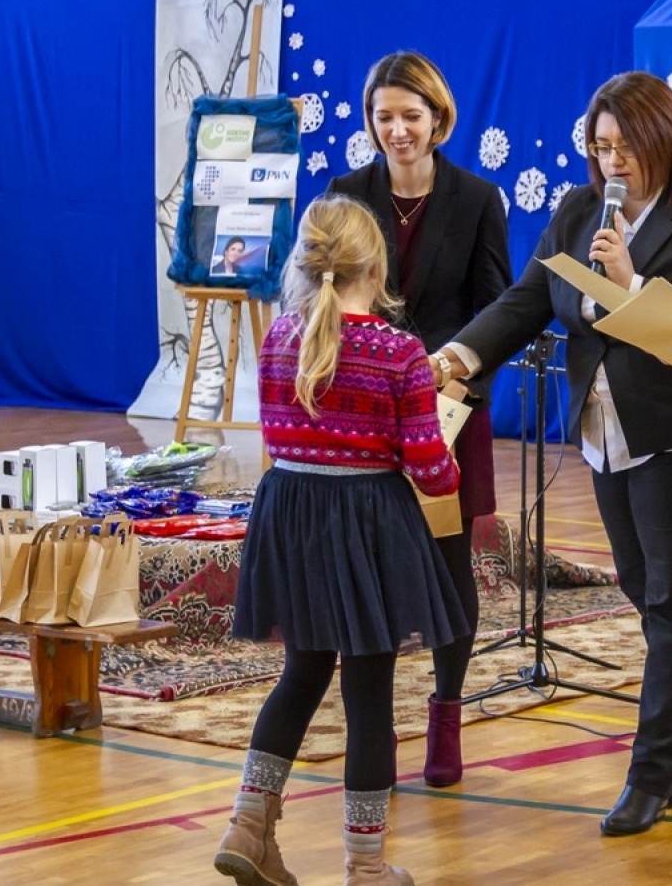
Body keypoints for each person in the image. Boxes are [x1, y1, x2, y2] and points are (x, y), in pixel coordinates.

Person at [432, 71, 672, 836]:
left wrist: (632, 282)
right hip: (611, 434)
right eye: (600, 145)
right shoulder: (579, 210)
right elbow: (524, 301)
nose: (613, 161)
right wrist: (458, 355)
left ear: (664, 140)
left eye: (626, 145)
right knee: (657, 600)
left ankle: (651, 777)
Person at [214, 195, 467, 886]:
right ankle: (365, 866)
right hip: (369, 525)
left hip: (292, 514)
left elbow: (277, 438)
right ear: (376, 266)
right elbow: (431, 472)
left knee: (300, 672)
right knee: (368, 694)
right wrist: (449, 454)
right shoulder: (400, 352)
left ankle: (248, 822)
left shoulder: (277, 340)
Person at [326, 51, 511, 788]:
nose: (397, 129)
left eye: (411, 115)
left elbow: (499, 311)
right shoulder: (346, 194)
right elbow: (323, 301)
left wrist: (453, 381)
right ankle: (372, 732)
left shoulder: (475, 198)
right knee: (363, 563)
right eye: (383, 116)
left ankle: (445, 713)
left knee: (447, 565)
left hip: (448, 411)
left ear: (438, 119)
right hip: (362, 412)